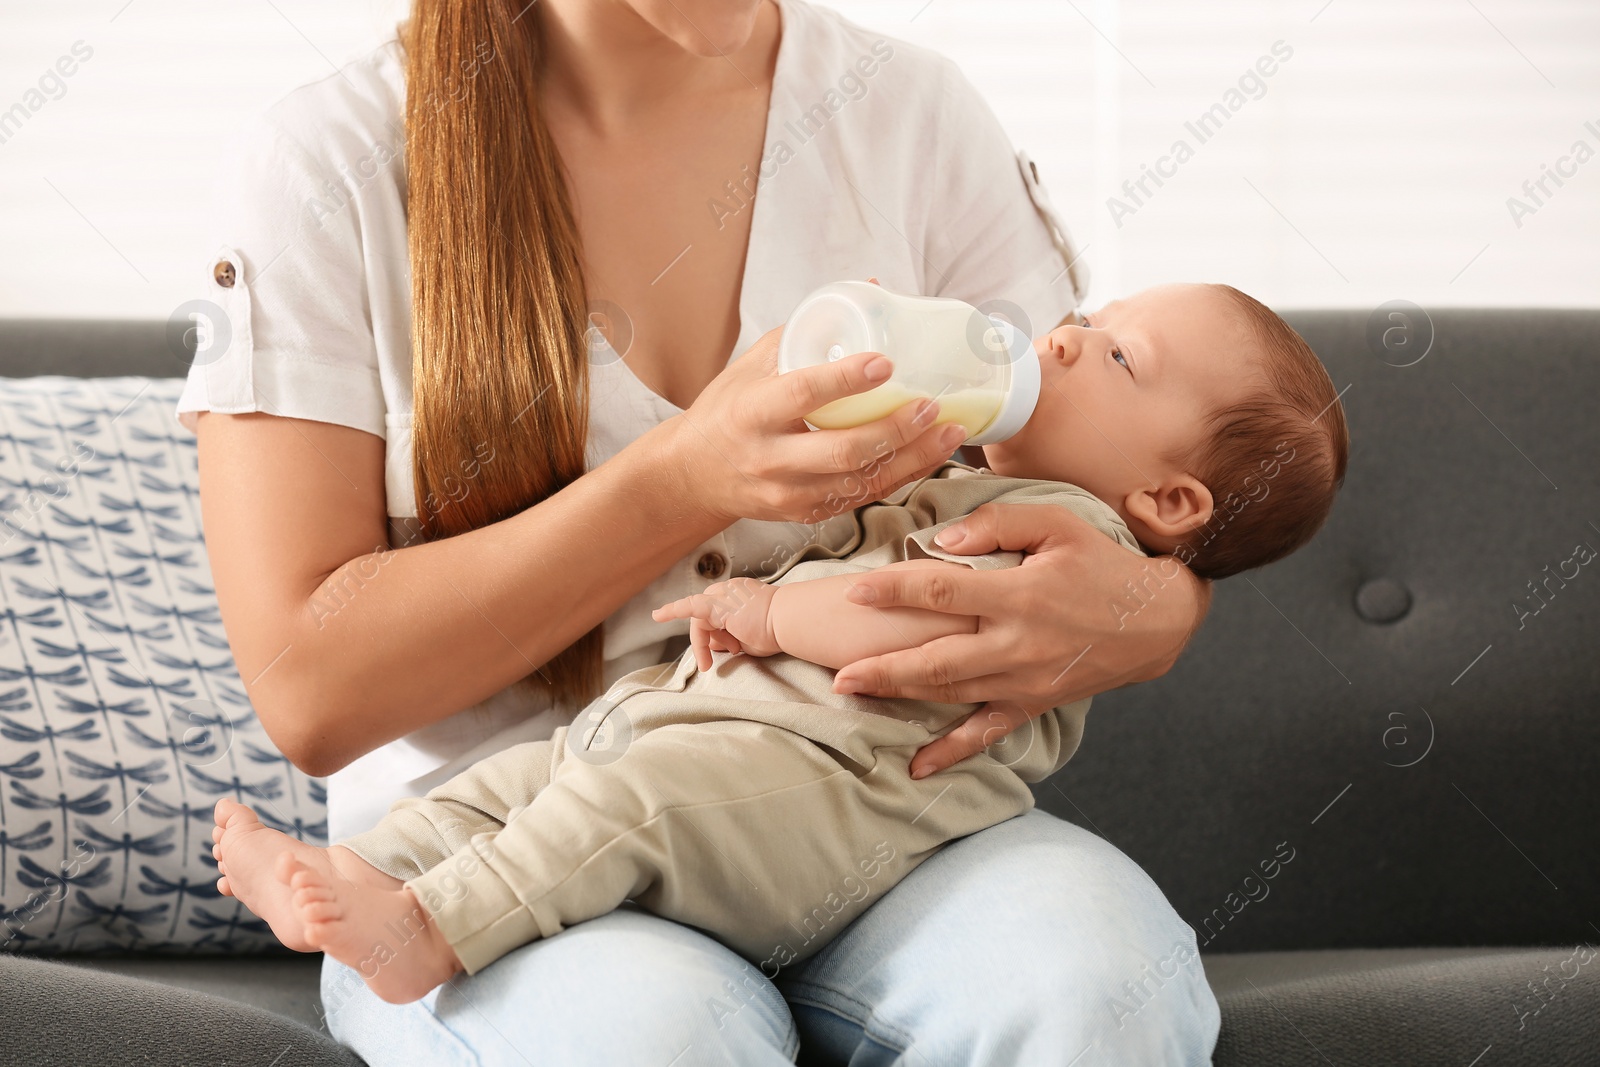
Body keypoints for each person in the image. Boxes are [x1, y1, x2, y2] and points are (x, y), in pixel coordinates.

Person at [177, 0, 1224, 1062]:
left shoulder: (911, 116)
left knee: (1106, 988)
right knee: (653, 1038)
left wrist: (1159, 604)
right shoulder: (333, 162)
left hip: (883, 810)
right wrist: (683, 478)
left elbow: (1110, 459)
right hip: (502, 842)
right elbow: (310, 687)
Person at [209, 282, 1349, 1007]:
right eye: (1092, 317)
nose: (1058, 334)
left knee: (618, 810)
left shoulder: (1068, 537)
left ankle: (423, 933)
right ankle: (367, 869)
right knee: (527, 782)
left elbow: (904, 612)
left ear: (1169, 499)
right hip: (704, 732)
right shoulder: (986, 485)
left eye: (1115, 358)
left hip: (817, 800)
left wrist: (765, 611)